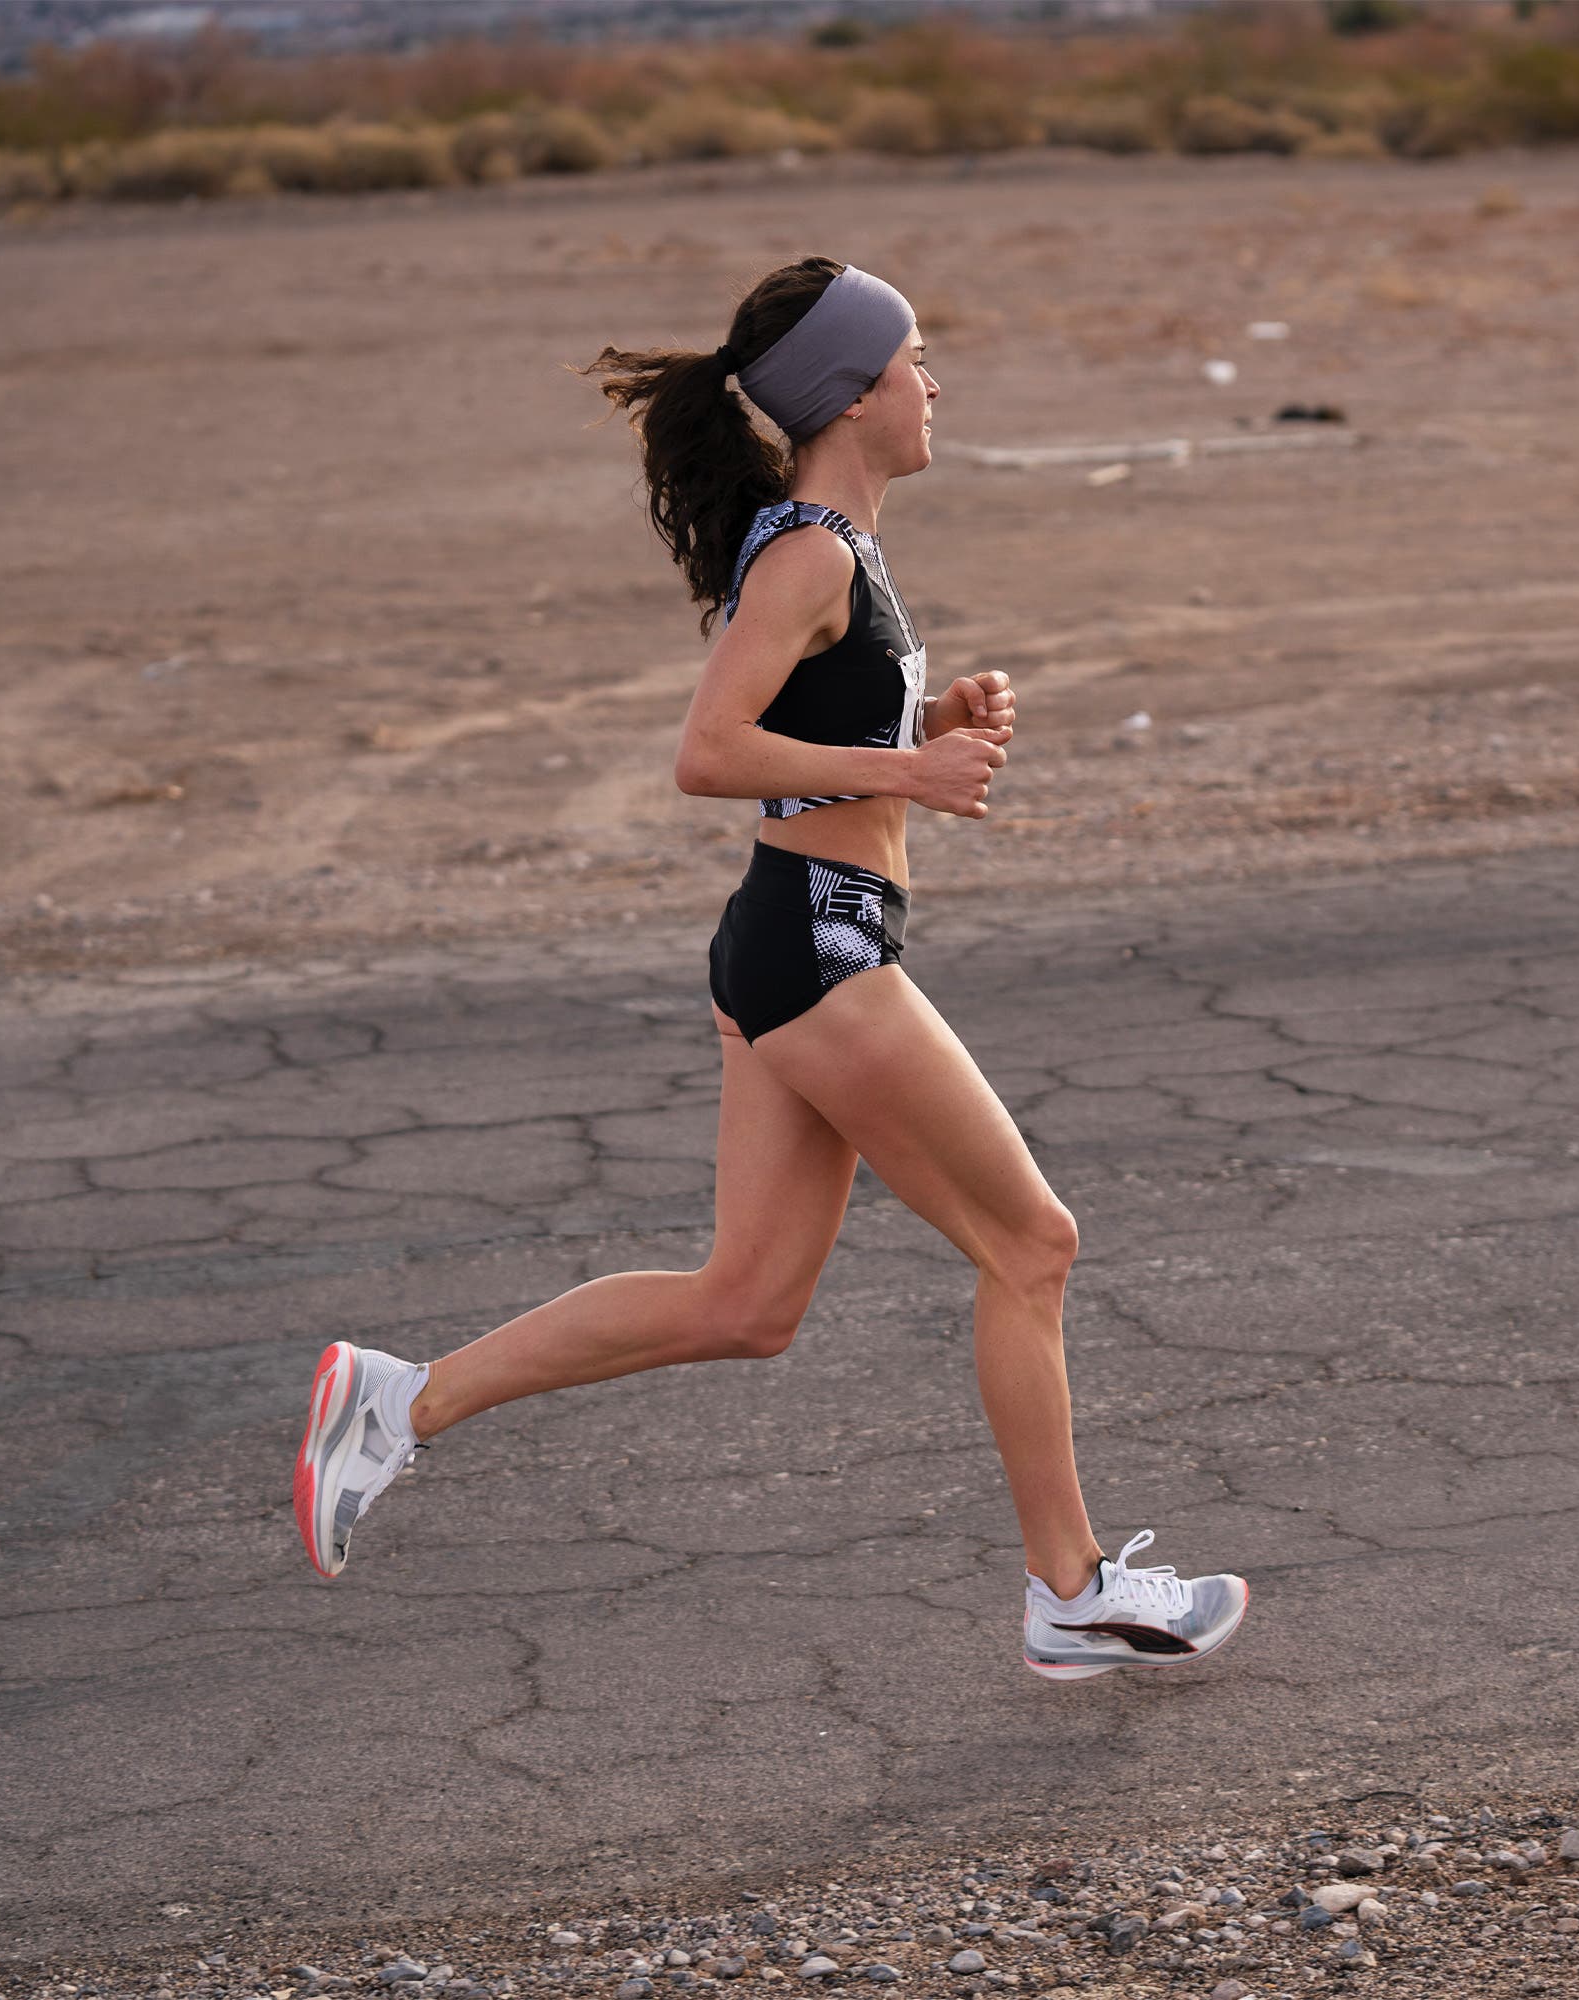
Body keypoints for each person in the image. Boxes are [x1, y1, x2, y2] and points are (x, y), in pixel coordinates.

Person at [293, 257, 1248, 1678]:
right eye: (915, 360)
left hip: (792, 934)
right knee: (1032, 1246)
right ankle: (1071, 1591)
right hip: (821, 940)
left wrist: (928, 717)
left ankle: (401, 1401)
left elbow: (807, 722)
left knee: (746, 1304)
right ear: (852, 395)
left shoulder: (830, 545)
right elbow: (709, 752)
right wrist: (911, 771)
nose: (934, 385)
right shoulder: (811, 555)